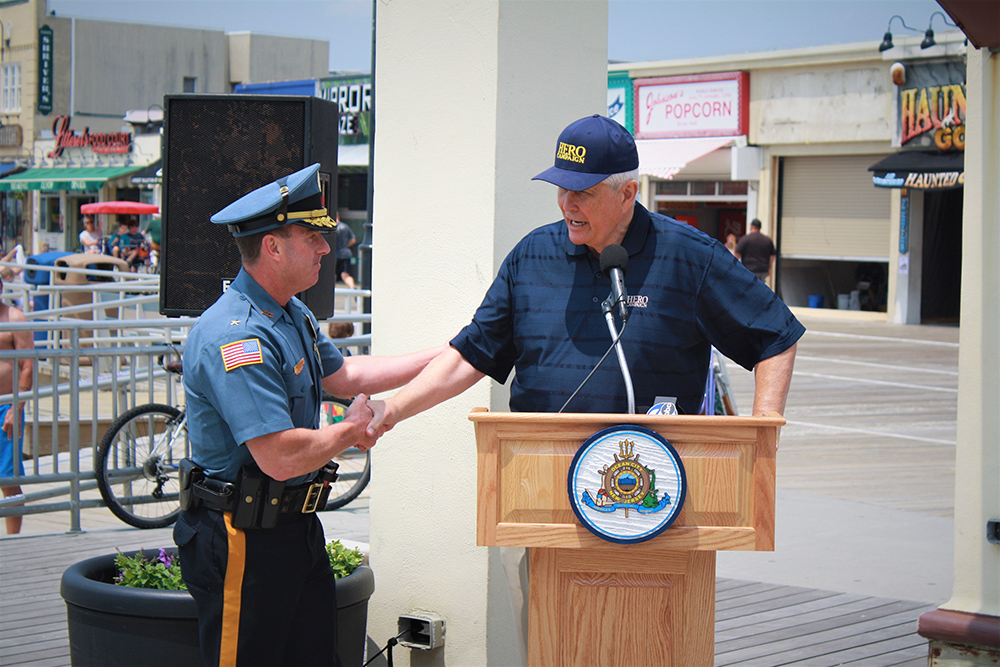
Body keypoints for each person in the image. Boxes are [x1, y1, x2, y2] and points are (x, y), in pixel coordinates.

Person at [364, 116, 804, 660]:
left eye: (583, 193)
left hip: (661, 502)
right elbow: (470, 354)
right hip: (541, 502)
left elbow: (775, 335)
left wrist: (762, 441)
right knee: (551, 645)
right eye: (561, 189)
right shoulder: (533, 258)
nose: (567, 204)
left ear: (627, 193)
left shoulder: (688, 256)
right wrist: (393, 409)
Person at [174, 163, 445, 667]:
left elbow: (345, 378)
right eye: (311, 236)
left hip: (293, 530)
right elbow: (278, 456)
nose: (326, 247)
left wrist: (450, 354)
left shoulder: (290, 312)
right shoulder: (239, 337)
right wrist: (350, 430)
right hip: (242, 539)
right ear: (273, 248)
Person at [0, 276, 32, 535]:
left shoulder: (14, 318)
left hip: (5, 408)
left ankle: (13, 540)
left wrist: (15, 407)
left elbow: (28, 366)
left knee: (7, 479)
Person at [734, 218, 776, 282]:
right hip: (763, 270)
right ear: (760, 227)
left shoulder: (745, 239)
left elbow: (737, 254)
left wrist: (735, 268)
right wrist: (769, 268)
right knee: (760, 288)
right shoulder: (767, 240)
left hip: (749, 270)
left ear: (751, 226)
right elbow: (772, 256)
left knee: (749, 288)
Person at [335, 214, 356, 288]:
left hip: (335, 254)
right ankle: (352, 288)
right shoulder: (346, 227)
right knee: (345, 274)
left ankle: (330, 292)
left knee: (332, 274)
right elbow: (353, 240)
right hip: (346, 253)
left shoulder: (332, 227)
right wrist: (345, 246)